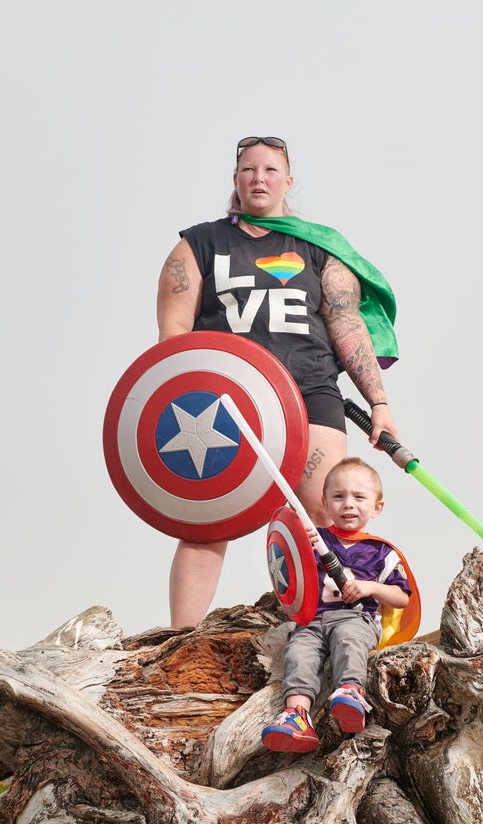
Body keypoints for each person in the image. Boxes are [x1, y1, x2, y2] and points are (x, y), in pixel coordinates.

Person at [156, 135, 402, 628]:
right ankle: (177, 644)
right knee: (207, 523)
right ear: (236, 181)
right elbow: (173, 336)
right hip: (224, 400)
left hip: (310, 393)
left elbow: (346, 323)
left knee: (322, 520)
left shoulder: (317, 246)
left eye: (271, 170)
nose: (259, 178)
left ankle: (324, 635)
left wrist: (378, 403)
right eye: (249, 170)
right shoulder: (198, 244)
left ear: (288, 182)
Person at [262, 457, 412, 752]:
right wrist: (297, 543)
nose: (348, 505)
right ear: (325, 502)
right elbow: (289, 575)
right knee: (298, 653)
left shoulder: (381, 551)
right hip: (313, 621)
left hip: (356, 618)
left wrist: (369, 587)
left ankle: (351, 692)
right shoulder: (316, 539)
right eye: (339, 497)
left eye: (359, 497)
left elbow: (401, 597)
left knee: (349, 640)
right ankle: (297, 715)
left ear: (377, 507)